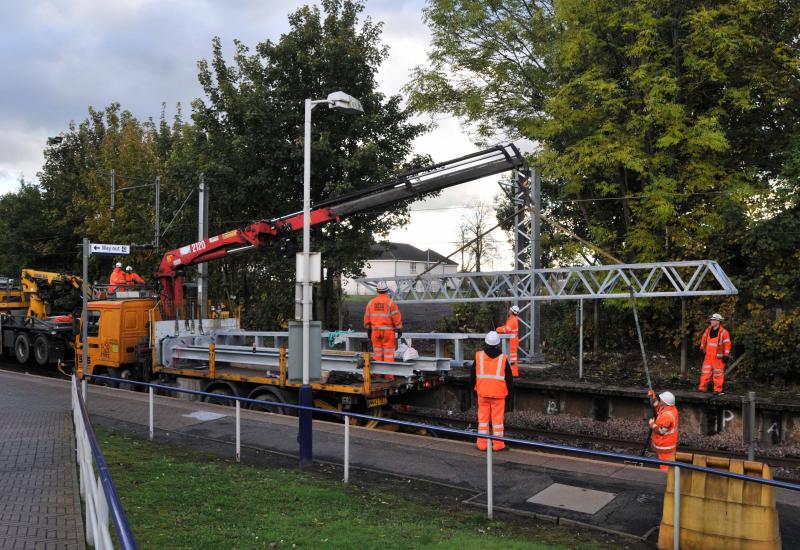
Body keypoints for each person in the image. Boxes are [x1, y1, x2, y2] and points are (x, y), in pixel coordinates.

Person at [471, 331, 514, 452]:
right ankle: (498, 445)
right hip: (498, 395)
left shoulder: (479, 356)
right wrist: (510, 393)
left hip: (482, 393)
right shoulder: (503, 358)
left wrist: (474, 390)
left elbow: (472, 376)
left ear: (486, 342)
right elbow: (509, 379)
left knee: (483, 420)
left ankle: (482, 444)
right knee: (497, 421)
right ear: (498, 344)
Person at [363, 281, 403, 363]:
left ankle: (378, 373)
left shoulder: (371, 303)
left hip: (375, 332)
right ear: (387, 291)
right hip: (388, 333)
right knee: (388, 354)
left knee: (377, 354)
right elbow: (396, 318)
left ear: (377, 291)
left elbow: (367, 319)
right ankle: (388, 375)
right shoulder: (391, 303)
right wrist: (399, 329)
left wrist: (369, 330)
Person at [698, 312, 732, 395]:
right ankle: (702, 388)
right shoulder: (708, 330)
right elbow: (704, 339)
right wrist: (702, 348)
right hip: (708, 356)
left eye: (713, 320)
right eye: (711, 320)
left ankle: (717, 390)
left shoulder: (724, 332)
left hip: (718, 357)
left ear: (718, 321)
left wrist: (726, 355)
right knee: (705, 373)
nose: (711, 321)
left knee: (718, 374)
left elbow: (727, 345)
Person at [648, 390, 679, 470]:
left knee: (665, 466)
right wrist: (653, 397)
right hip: (668, 442)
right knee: (668, 462)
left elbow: (661, 431)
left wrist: (652, 424)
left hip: (665, 445)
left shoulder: (666, 416)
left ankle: (665, 480)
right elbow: (658, 407)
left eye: (661, 399)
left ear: (665, 402)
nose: (660, 400)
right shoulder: (671, 409)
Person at [496, 305, 520, 376]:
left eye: (510, 310)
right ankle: (512, 372)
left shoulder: (512, 319)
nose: (509, 311)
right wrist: (500, 328)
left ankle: (513, 373)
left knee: (511, 357)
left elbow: (507, 329)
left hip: (512, 340)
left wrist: (498, 329)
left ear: (512, 311)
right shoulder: (513, 319)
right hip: (513, 339)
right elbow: (507, 327)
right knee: (512, 357)